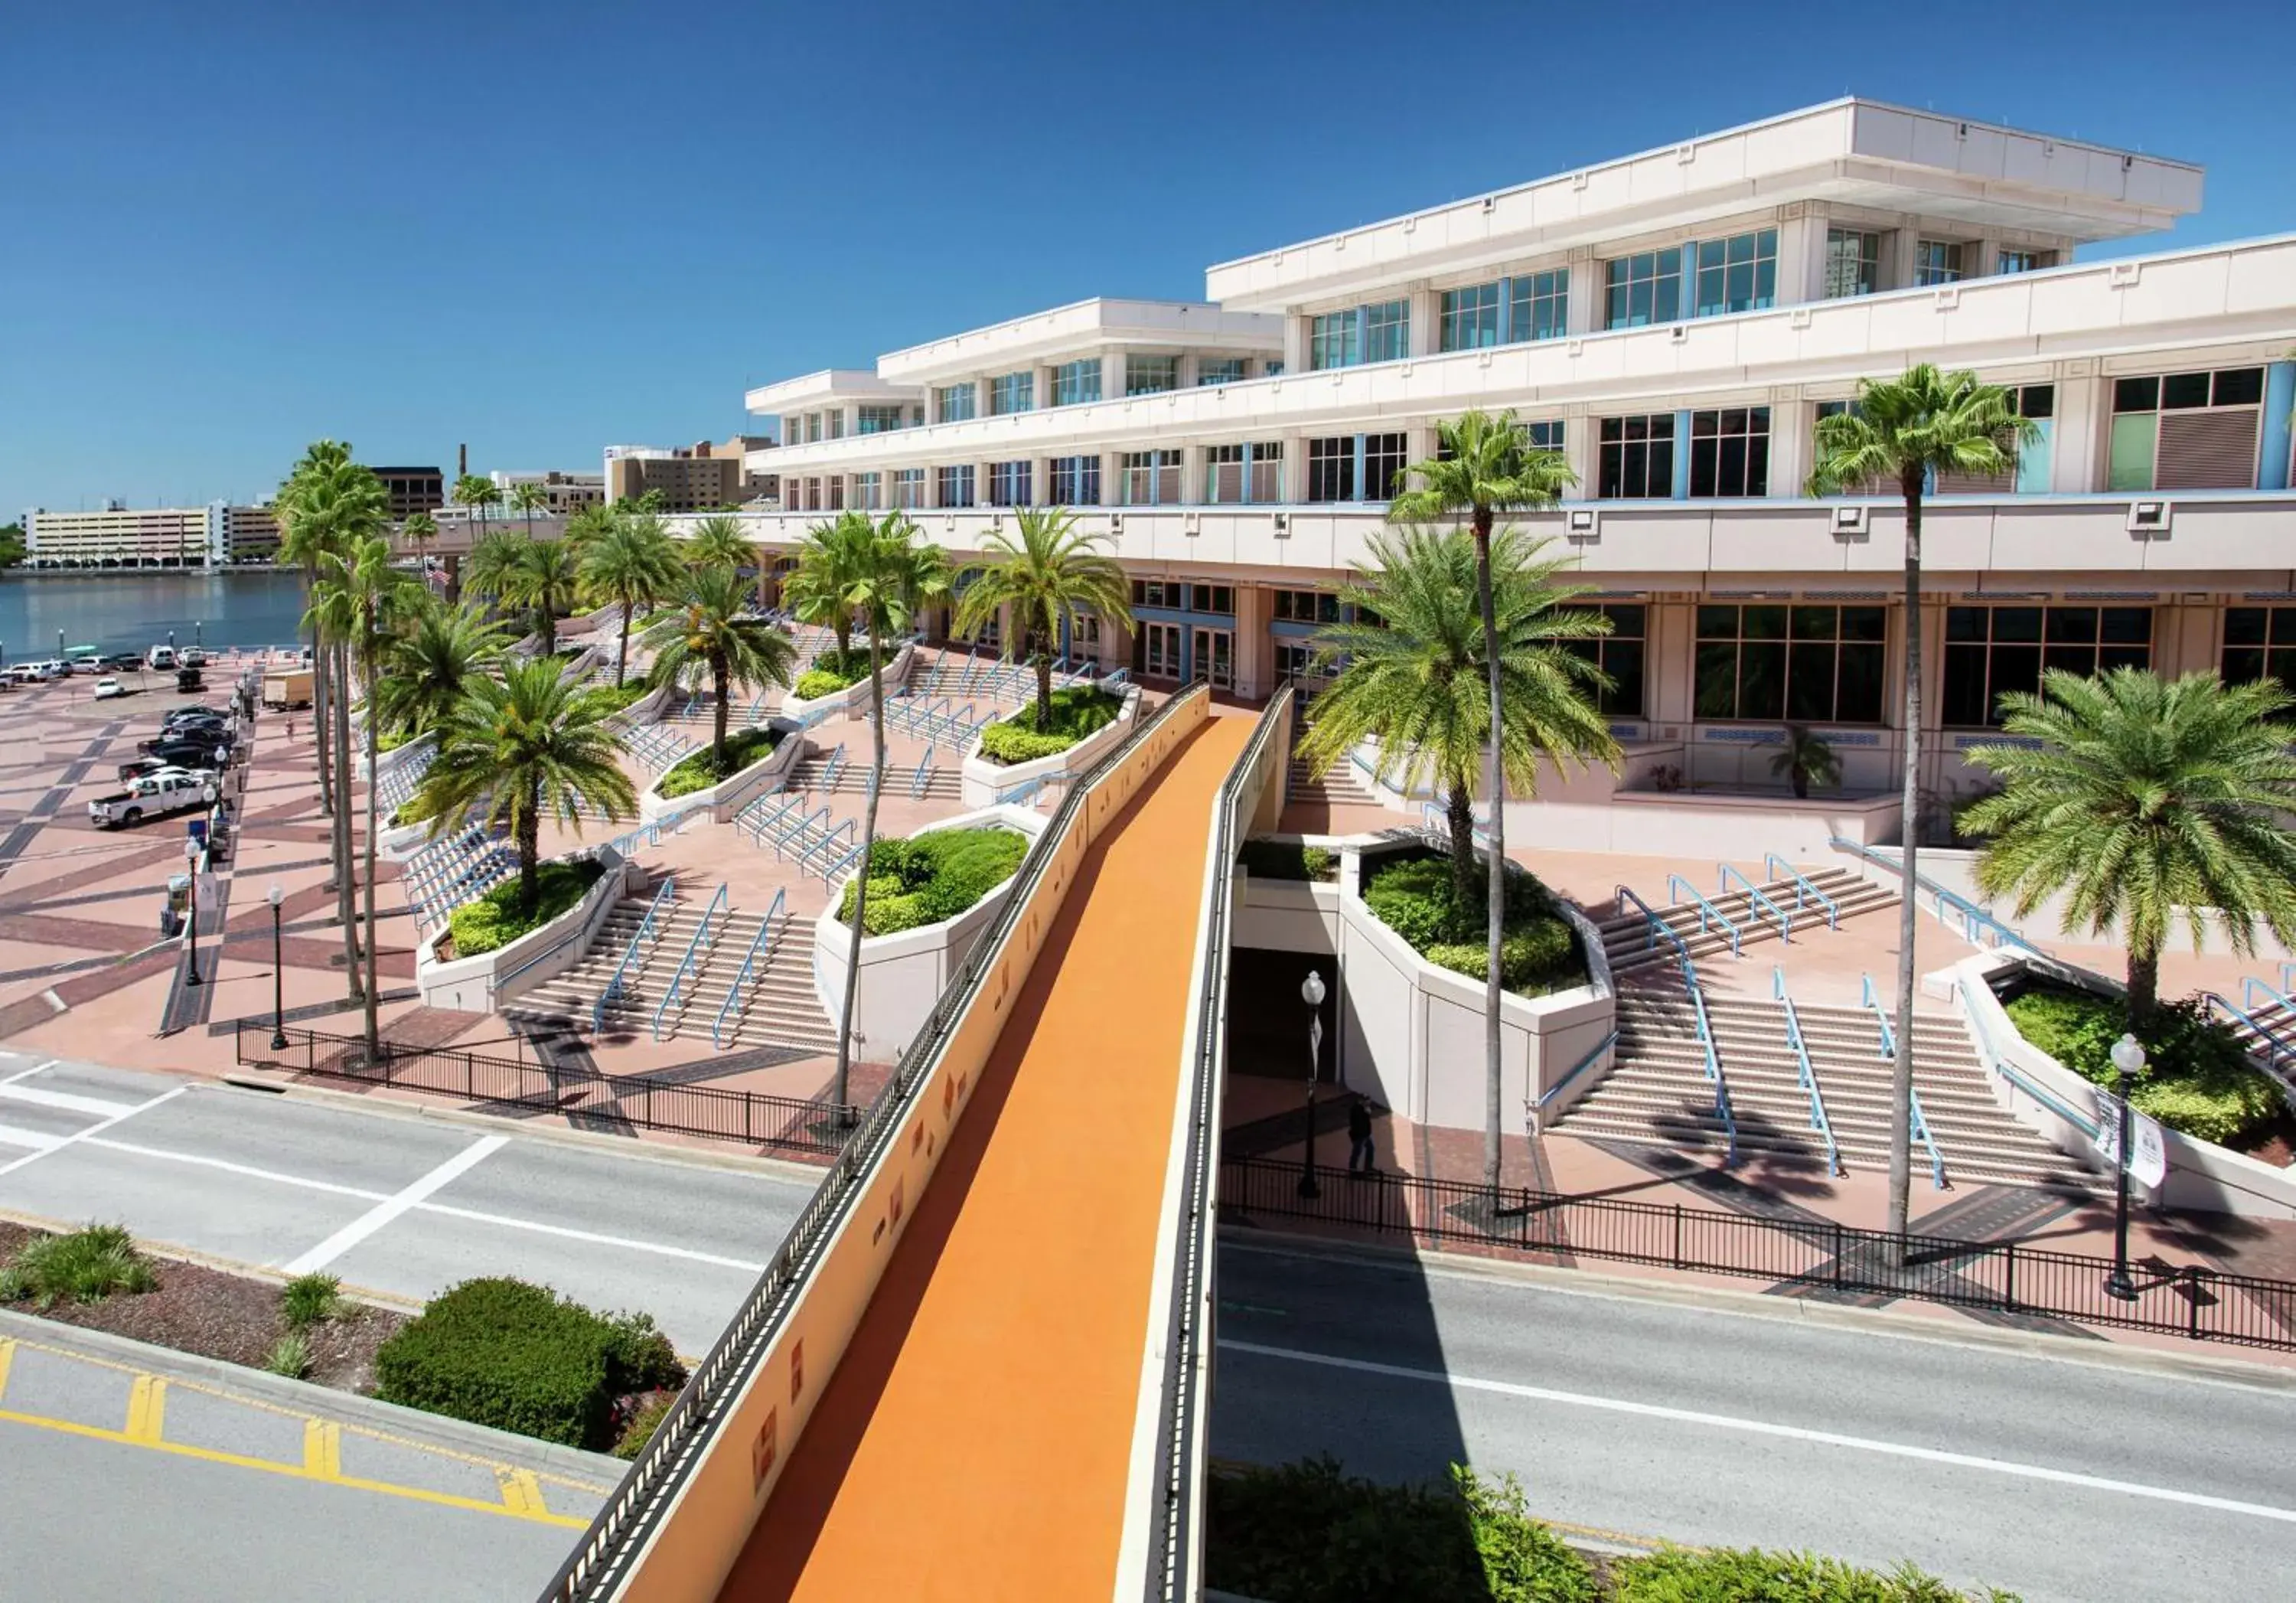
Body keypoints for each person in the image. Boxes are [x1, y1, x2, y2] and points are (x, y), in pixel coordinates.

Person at [1347, 1099, 1376, 1176]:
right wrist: (1366, 1114)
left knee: (1370, 1148)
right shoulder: (1357, 1110)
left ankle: (1368, 1167)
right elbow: (1359, 1123)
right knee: (1357, 1152)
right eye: (1367, 1101)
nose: (1369, 1103)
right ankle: (1353, 1171)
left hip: (1365, 1134)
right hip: (1360, 1135)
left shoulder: (1364, 1109)